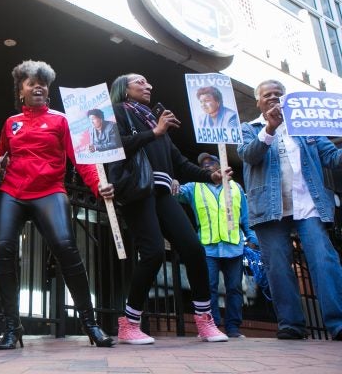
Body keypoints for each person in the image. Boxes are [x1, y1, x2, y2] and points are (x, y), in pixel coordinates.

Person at [0, 60, 115, 350]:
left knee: (65, 246)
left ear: (47, 90)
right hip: (12, 191)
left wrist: (98, 185)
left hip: (49, 190)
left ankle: (91, 324)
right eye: (30, 82)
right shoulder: (11, 122)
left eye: (42, 83)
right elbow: (0, 154)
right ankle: (12, 327)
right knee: (2, 249)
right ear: (20, 90)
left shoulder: (61, 120)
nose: (37, 86)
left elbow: (81, 158)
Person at [108, 73, 229, 344]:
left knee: (194, 249)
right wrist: (154, 132)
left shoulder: (154, 121)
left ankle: (204, 320)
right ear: (123, 89)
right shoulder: (117, 112)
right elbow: (115, 146)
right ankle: (129, 324)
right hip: (137, 191)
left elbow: (180, 163)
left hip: (162, 192)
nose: (148, 85)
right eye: (140, 82)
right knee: (151, 254)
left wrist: (210, 176)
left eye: (148, 82)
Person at [238, 79, 342, 341]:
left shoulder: (307, 126)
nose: (273, 98)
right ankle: (291, 324)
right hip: (269, 209)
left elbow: (331, 157)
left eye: (278, 94)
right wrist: (271, 128)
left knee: (324, 261)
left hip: (309, 205)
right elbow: (249, 155)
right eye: (267, 95)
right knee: (278, 268)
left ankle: (338, 323)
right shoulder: (248, 128)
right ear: (258, 102)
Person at [176, 152, 258, 338]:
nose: (206, 166)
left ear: (221, 165)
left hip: (234, 247)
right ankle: (210, 327)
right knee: (209, 287)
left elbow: (246, 218)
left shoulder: (236, 188)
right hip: (208, 248)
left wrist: (252, 239)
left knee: (235, 289)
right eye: (203, 164)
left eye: (211, 162)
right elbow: (176, 195)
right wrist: (172, 185)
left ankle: (233, 329)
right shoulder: (194, 187)